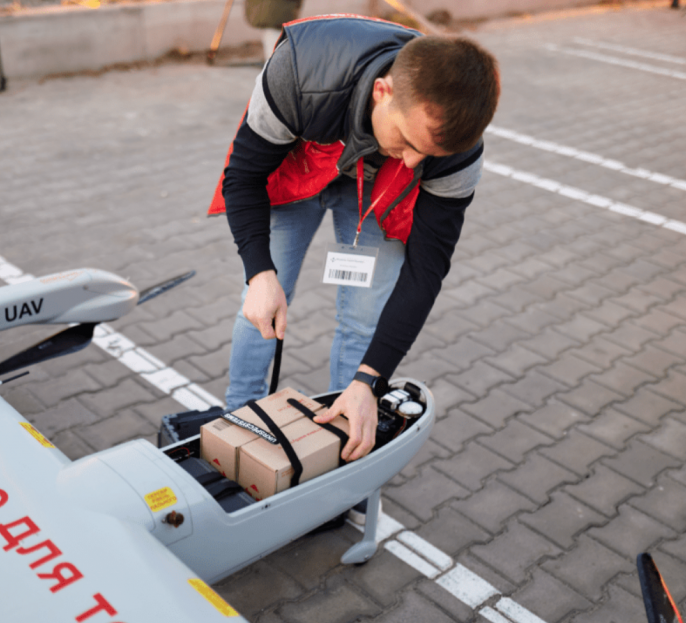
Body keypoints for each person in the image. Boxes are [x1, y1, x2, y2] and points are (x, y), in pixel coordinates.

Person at [208, 15, 500, 462]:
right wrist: (259, 272)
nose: (412, 162)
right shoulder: (298, 71)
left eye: (428, 155)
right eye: (407, 140)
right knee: (262, 302)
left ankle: (343, 439)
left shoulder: (457, 154)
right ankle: (236, 422)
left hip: (373, 188)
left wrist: (370, 380)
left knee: (364, 319)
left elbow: (425, 272)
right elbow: (243, 177)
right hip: (299, 159)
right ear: (383, 92)